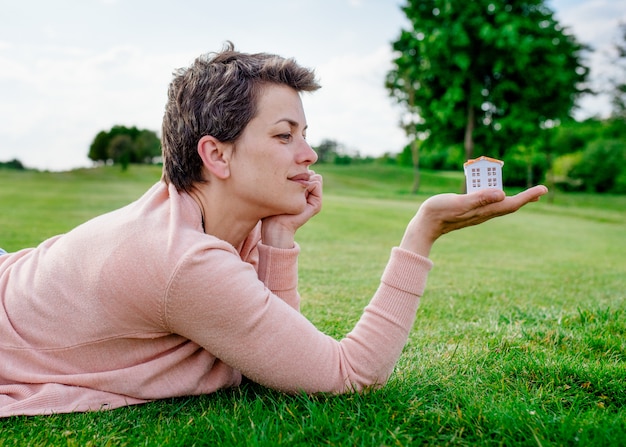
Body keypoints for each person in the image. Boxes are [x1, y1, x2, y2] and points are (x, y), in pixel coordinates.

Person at [0, 43, 548, 417]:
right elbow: (348, 373)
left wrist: (279, 238)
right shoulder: (184, 261)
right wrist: (421, 233)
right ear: (216, 154)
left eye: (305, 134)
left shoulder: (195, 215)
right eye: (284, 135)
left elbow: (279, 353)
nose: (308, 155)